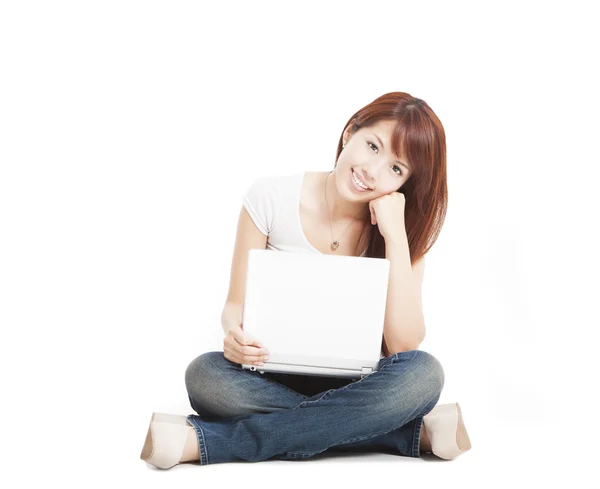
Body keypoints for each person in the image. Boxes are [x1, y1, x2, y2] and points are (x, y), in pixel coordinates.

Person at [140, 92, 472, 469]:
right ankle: (400, 432)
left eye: (396, 169)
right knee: (206, 377)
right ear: (350, 132)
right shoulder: (270, 197)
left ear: (405, 183)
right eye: (373, 146)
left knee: (424, 373)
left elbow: (403, 345)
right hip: (270, 375)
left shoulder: (402, 231)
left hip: (358, 384)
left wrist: (395, 234)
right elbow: (235, 307)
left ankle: (212, 443)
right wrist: (234, 334)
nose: (373, 171)